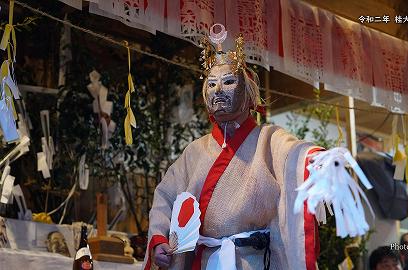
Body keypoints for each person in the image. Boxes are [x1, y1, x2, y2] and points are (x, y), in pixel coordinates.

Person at [143, 23, 371, 270]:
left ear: (249, 93)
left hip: (252, 261)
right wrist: (159, 239)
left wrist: (321, 163)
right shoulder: (195, 152)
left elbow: (295, 154)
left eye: (228, 81)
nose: (218, 90)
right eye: (211, 84)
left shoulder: (269, 139)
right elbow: (165, 196)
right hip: (204, 260)